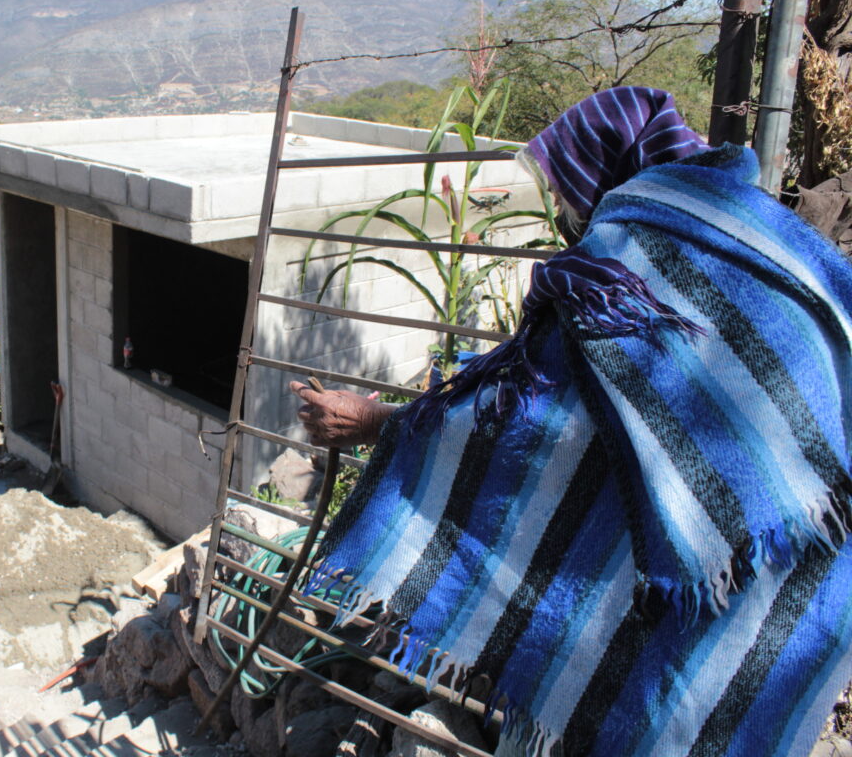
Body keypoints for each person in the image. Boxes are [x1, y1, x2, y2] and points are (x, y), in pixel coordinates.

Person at [292, 87, 852, 757]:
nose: (562, 214)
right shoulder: (767, 243)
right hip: (806, 602)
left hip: (694, 607)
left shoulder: (624, 256)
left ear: (601, 170)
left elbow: (529, 427)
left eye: (563, 189)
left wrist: (375, 421)